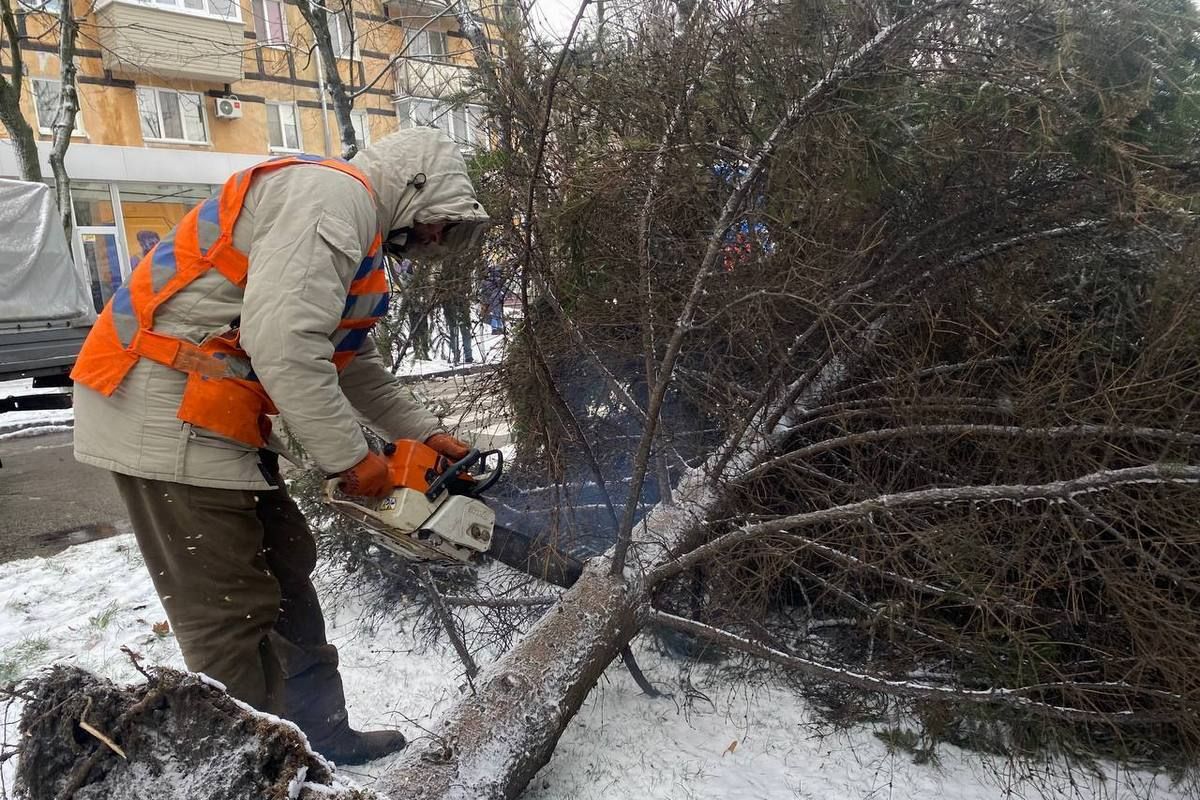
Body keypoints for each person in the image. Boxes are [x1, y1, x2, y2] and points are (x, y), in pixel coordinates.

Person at [69, 128, 490, 765]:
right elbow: (287, 346)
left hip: (215, 410)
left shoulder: (358, 235)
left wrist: (423, 434)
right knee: (228, 609)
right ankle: (247, 771)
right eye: (436, 224)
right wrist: (354, 462)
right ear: (415, 188)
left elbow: (350, 362)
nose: (433, 239)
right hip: (159, 407)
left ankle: (317, 737)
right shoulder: (330, 197)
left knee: (287, 566)